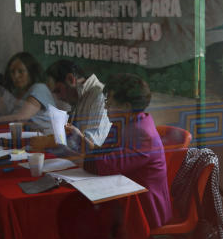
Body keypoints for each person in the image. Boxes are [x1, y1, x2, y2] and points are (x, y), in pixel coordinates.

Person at [65, 73, 171, 228]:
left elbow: (102, 165)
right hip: (122, 193)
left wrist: (66, 155)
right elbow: (102, 152)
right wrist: (80, 138)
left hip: (142, 206)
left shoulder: (142, 134)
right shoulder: (123, 122)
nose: (105, 106)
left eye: (109, 102)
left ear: (126, 107)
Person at [45, 59, 111, 146]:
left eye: (58, 90)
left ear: (70, 79)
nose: (58, 98)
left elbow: (91, 147)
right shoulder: (79, 96)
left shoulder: (98, 96)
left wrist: (50, 143)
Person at [0, 51, 56, 133]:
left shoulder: (39, 88)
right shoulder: (14, 93)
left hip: (46, 141)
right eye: (12, 72)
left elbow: (21, 118)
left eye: (21, 71)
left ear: (31, 72)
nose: (16, 76)